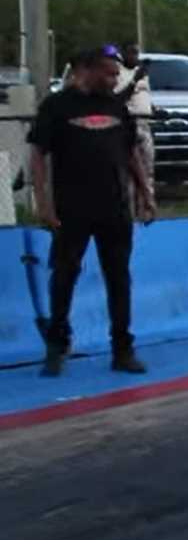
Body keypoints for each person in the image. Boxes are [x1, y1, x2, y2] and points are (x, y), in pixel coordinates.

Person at [29, 46, 157, 377]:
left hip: (115, 208)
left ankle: (122, 349)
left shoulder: (115, 105)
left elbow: (131, 154)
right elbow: (38, 156)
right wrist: (43, 202)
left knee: (118, 278)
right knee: (65, 275)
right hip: (72, 209)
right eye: (109, 73)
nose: (115, 80)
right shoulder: (57, 106)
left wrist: (145, 193)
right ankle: (57, 345)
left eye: (117, 74)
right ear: (85, 70)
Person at [114, 43, 154, 215]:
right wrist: (134, 79)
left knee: (147, 168)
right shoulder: (118, 73)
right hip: (129, 122)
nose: (134, 56)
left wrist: (153, 108)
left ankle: (145, 207)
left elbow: (144, 95)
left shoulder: (143, 75)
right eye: (131, 53)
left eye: (136, 53)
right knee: (130, 171)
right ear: (123, 54)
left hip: (145, 123)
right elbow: (119, 97)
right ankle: (128, 212)